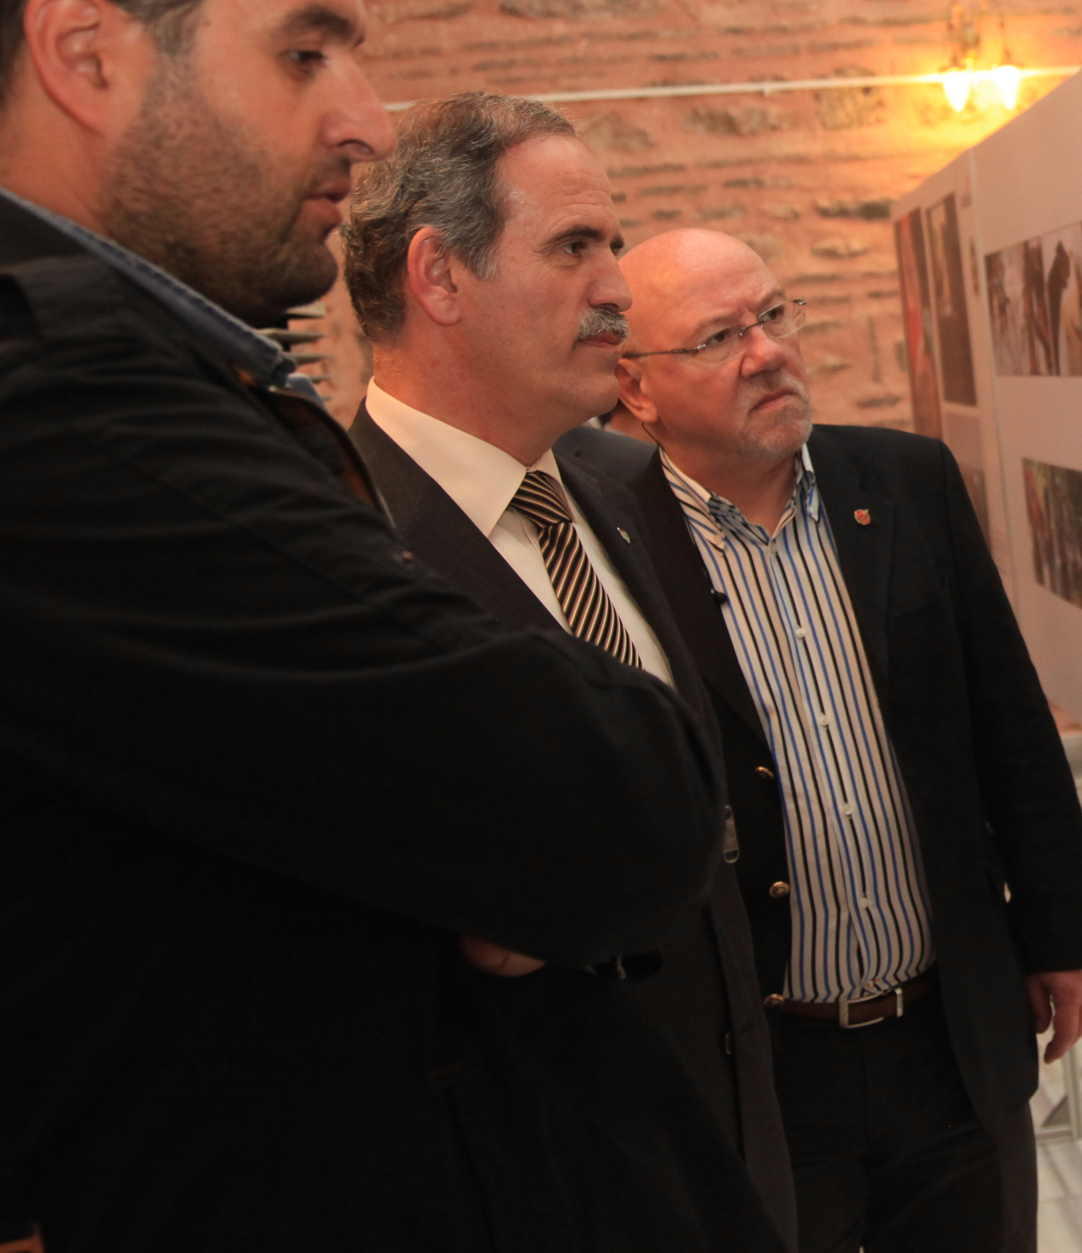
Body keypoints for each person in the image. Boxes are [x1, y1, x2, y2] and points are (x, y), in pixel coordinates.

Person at [0, 0, 730, 1252]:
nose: (363, 120)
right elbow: (614, 803)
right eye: (303, 52)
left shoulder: (85, 362)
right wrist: (494, 851)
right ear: (84, 52)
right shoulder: (26, 395)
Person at [337, 91, 793, 1247]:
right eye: (574, 246)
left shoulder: (614, 485)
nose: (617, 286)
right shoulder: (341, 550)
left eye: (614, 243)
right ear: (439, 276)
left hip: (726, 1157)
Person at [607, 228, 1082, 1253]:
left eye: (773, 314)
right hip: (761, 1059)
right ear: (636, 387)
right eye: (717, 337)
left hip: (949, 1033)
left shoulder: (904, 478)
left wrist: (1061, 933)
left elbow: (1008, 720)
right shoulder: (609, 537)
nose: (766, 352)